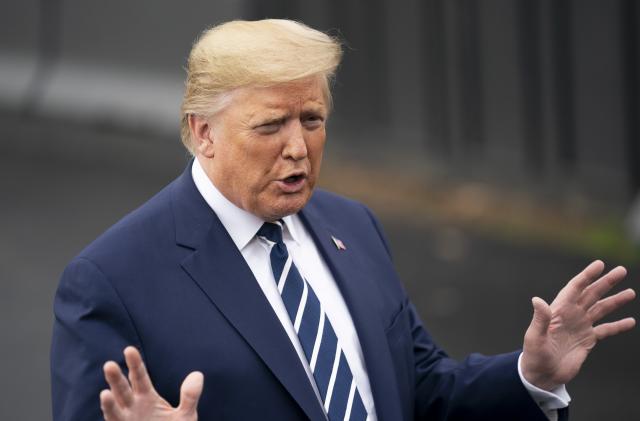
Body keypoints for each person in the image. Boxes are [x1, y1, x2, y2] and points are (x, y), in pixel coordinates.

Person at [50, 19, 636, 421]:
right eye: (270, 125)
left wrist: (529, 375)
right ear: (203, 131)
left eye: (312, 118)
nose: (299, 148)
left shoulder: (353, 227)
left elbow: (421, 390)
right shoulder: (111, 280)